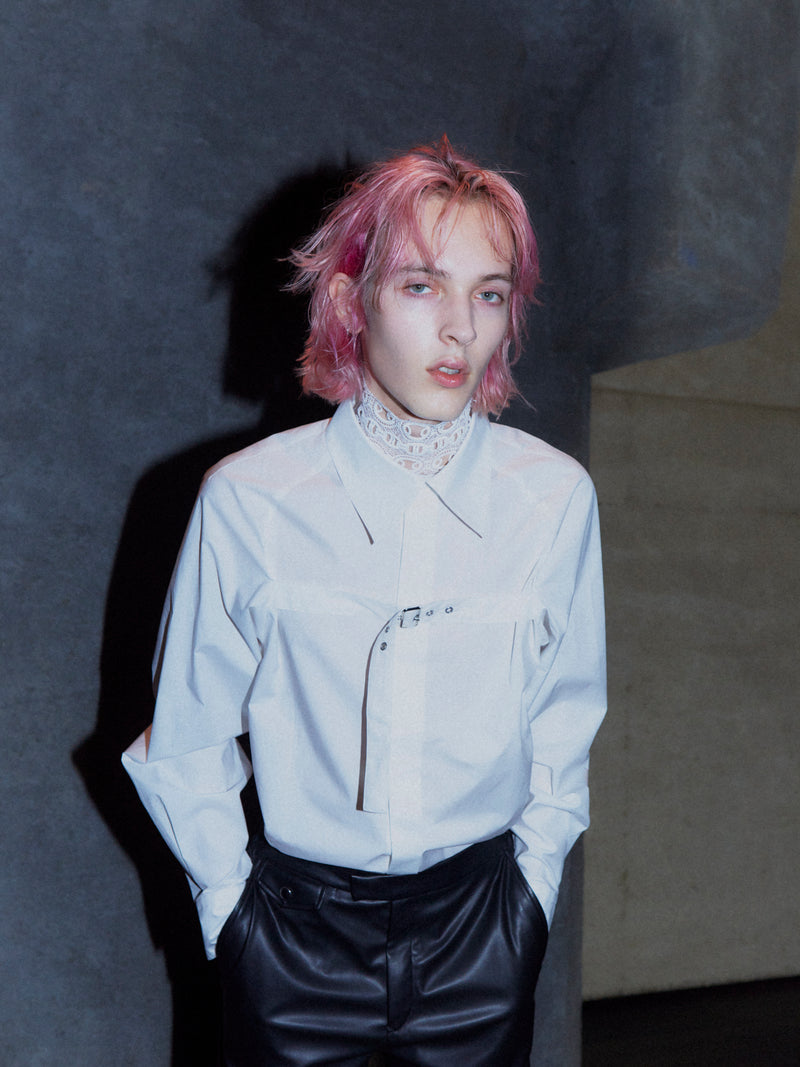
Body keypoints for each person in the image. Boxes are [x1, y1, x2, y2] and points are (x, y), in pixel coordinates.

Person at [123, 136, 606, 1067]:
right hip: (293, 939)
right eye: (422, 286)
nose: (459, 329)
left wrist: (531, 894)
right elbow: (185, 734)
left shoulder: (553, 499)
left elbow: (565, 716)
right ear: (350, 302)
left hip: (481, 928)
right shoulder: (250, 499)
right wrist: (232, 914)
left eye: (489, 293)